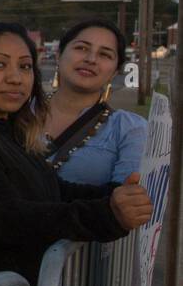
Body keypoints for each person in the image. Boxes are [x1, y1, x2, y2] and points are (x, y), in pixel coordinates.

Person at [0, 21, 152, 286]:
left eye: (25, 66)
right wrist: (107, 214)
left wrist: (114, 195)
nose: (15, 78)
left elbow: (53, 189)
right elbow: (3, 217)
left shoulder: (14, 133)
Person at [44, 18, 145, 185]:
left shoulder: (129, 129)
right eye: (81, 48)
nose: (91, 59)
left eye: (105, 54)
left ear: (114, 72)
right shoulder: (19, 113)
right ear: (58, 55)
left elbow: (125, 202)